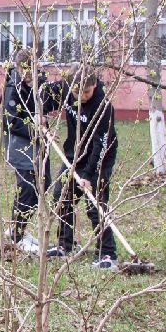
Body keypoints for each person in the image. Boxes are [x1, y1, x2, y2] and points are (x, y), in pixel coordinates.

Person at [48, 71, 119, 269]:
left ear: (94, 85)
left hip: (100, 158)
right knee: (61, 197)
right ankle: (65, 245)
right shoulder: (65, 88)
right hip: (74, 155)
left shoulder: (103, 107)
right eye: (77, 93)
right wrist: (41, 115)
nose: (81, 97)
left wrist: (88, 175)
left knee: (95, 205)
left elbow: (101, 145)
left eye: (86, 92)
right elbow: (43, 95)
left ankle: (107, 253)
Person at [1, 49, 64, 254]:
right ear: (18, 68)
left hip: (39, 141)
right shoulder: (12, 87)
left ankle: (17, 228)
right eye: (24, 71)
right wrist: (35, 129)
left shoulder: (41, 81)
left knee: (42, 183)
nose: (28, 75)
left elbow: (46, 102)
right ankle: (17, 235)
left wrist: (43, 117)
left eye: (32, 70)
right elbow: (12, 121)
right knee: (27, 187)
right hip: (19, 142)